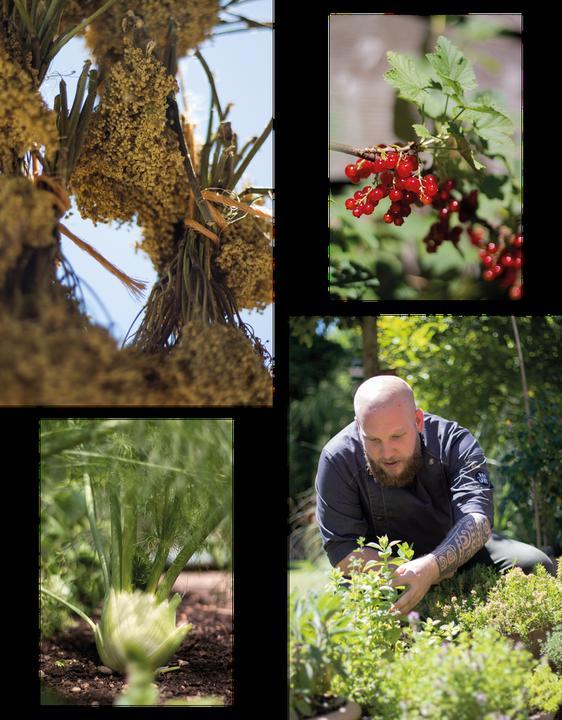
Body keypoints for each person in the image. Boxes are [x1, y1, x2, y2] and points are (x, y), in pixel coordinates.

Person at [315, 375, 554, 615]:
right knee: (338, 615)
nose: (387, 452)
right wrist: (409, 574)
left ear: (418, 420)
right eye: (373, 439)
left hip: (457, 556)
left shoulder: (454, 442)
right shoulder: (337, 459)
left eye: (397, 436)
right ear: (359, 427)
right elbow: (342, 549)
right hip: (384, 572)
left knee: (533, 564)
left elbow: (478, 520)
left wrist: (433, 567)